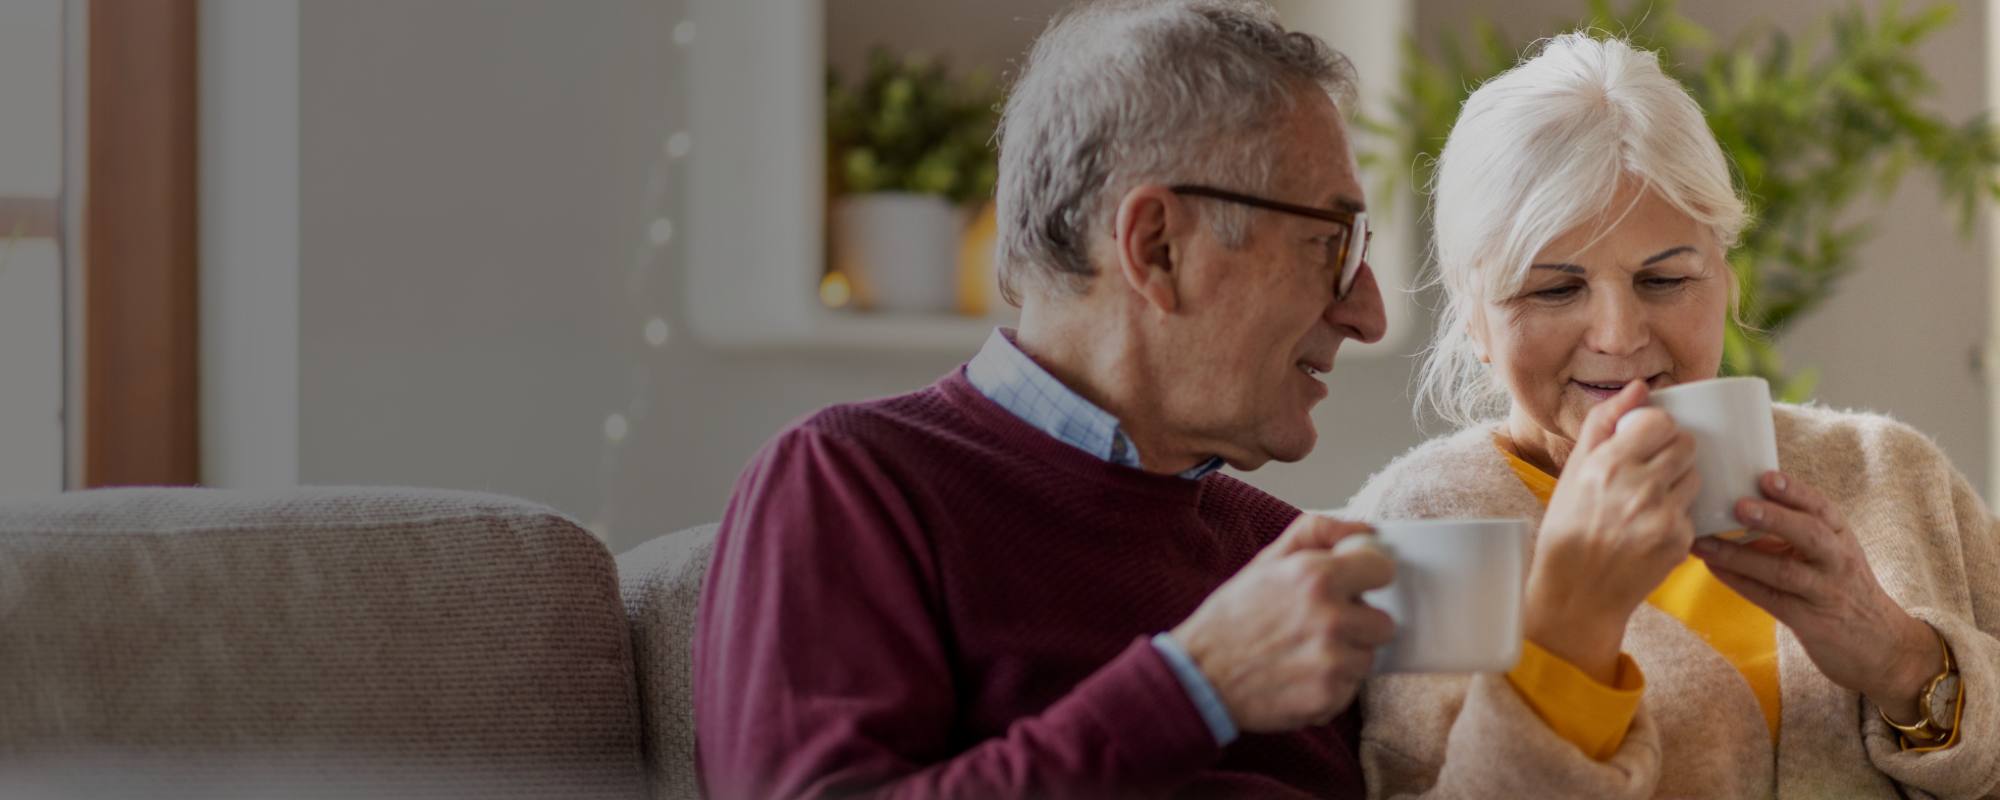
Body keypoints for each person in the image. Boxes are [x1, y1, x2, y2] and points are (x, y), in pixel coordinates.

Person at [693, 1, 1399, 797]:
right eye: (1331, 246)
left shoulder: (1279, 551)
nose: (1368, 313)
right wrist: (1196, 686)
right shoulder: (850, 484)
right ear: (1156, 248)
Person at [1343, 32, 2000, 798]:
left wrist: (1904, 662)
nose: (1619, 337)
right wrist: (1571, 629)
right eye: (1554, 291)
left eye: (1665, 280)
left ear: (1724, 277)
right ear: (1474, 319)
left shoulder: (1893, 473)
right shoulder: (1424, 532)